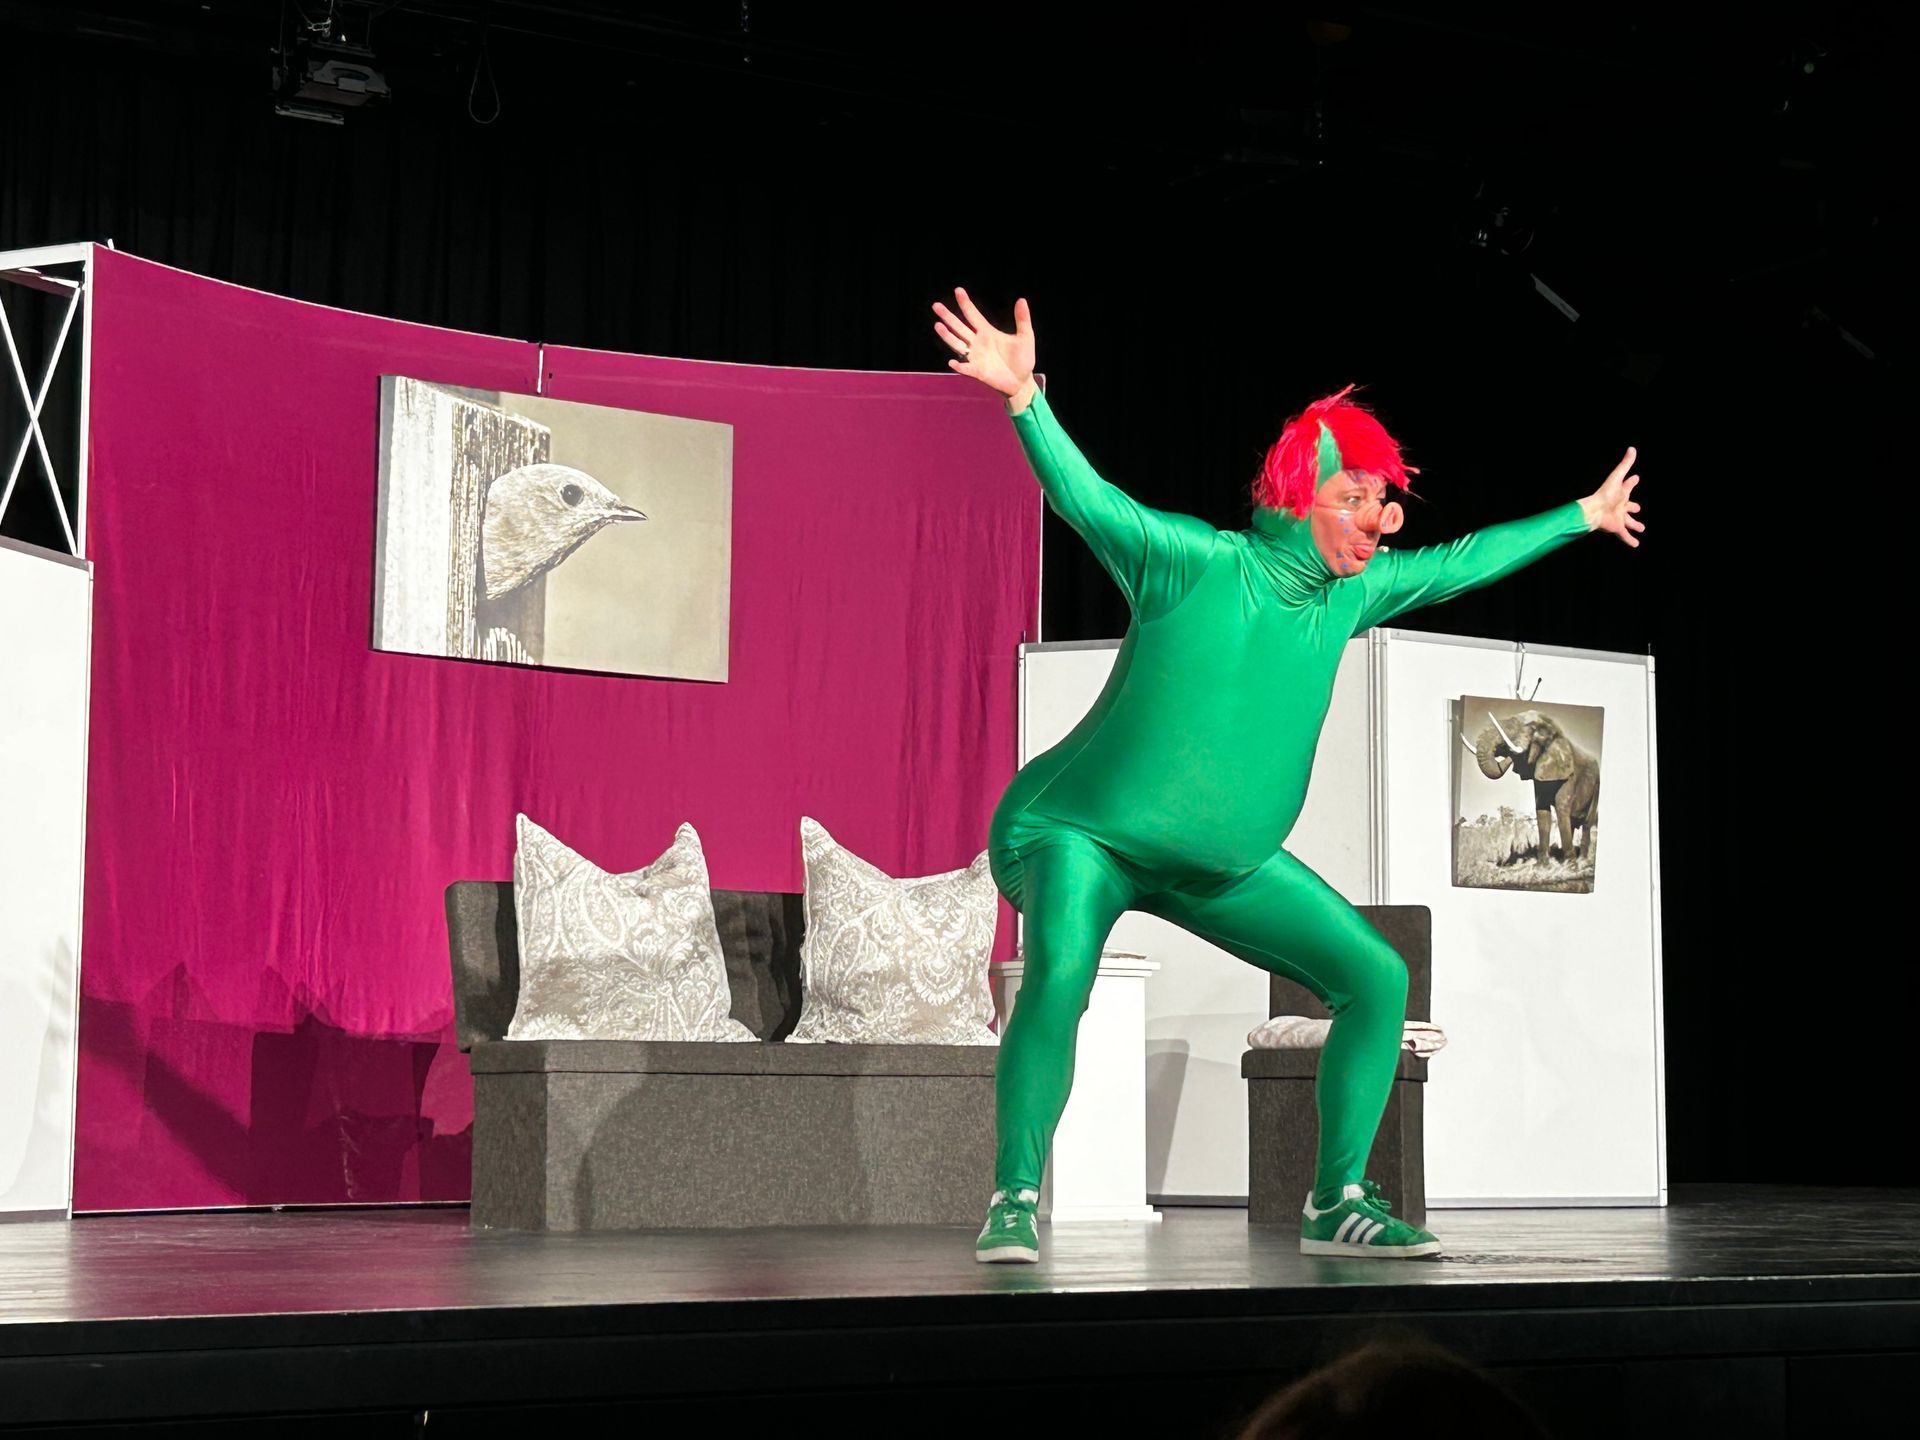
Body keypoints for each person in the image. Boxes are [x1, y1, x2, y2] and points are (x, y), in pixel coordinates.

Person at [932, 288, 1644, 1263]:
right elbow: (1087, 500)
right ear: (1293, 500)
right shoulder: (1192, 563)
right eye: (1351, 497)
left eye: (1380, 500)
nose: (1376, 520)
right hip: (1074, 836)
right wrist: (1025, 401)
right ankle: (1014, 1197)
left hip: (1221, 865)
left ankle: (1335, 1201)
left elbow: (1464, 560)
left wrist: (1583, 515)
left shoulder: (1352, 597)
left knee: (1376, 977)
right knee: (1062, 973)